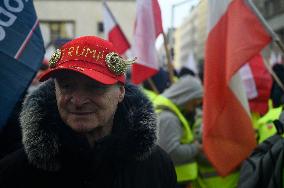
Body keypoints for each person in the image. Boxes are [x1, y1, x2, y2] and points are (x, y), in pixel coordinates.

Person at [0, 36, 177, 188]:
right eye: (66, 86)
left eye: (94, 87)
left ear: (121, 92)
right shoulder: (16, 171)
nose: (77, 101)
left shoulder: (156, 166)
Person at [154, 75, 203, 188]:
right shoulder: (168, 118)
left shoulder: (168, 112)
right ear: (187, 96)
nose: (197, 103)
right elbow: (172, 152)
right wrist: (195, 148)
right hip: (176, 181)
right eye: (196, 98)